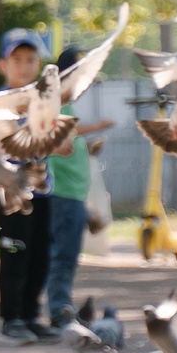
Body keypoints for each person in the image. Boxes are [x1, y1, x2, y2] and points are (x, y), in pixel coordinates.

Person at [41, 43, 115, 330]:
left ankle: (60, 303)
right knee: (63, 254)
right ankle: (59, 307)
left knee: (67, 253)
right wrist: (96, 126)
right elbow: (63, 131)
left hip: (72, 192)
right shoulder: (56, 99)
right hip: (62, 192)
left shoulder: (65, 100)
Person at [0, 29, 56, 342]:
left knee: (40, 255)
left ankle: (31, 314)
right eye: (16, 59)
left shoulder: (44, 100)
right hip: (12, 190)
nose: (24, 66)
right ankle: (11, 317)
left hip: (43, 188)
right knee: (15, 250)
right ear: (2, 65)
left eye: (31, 59)